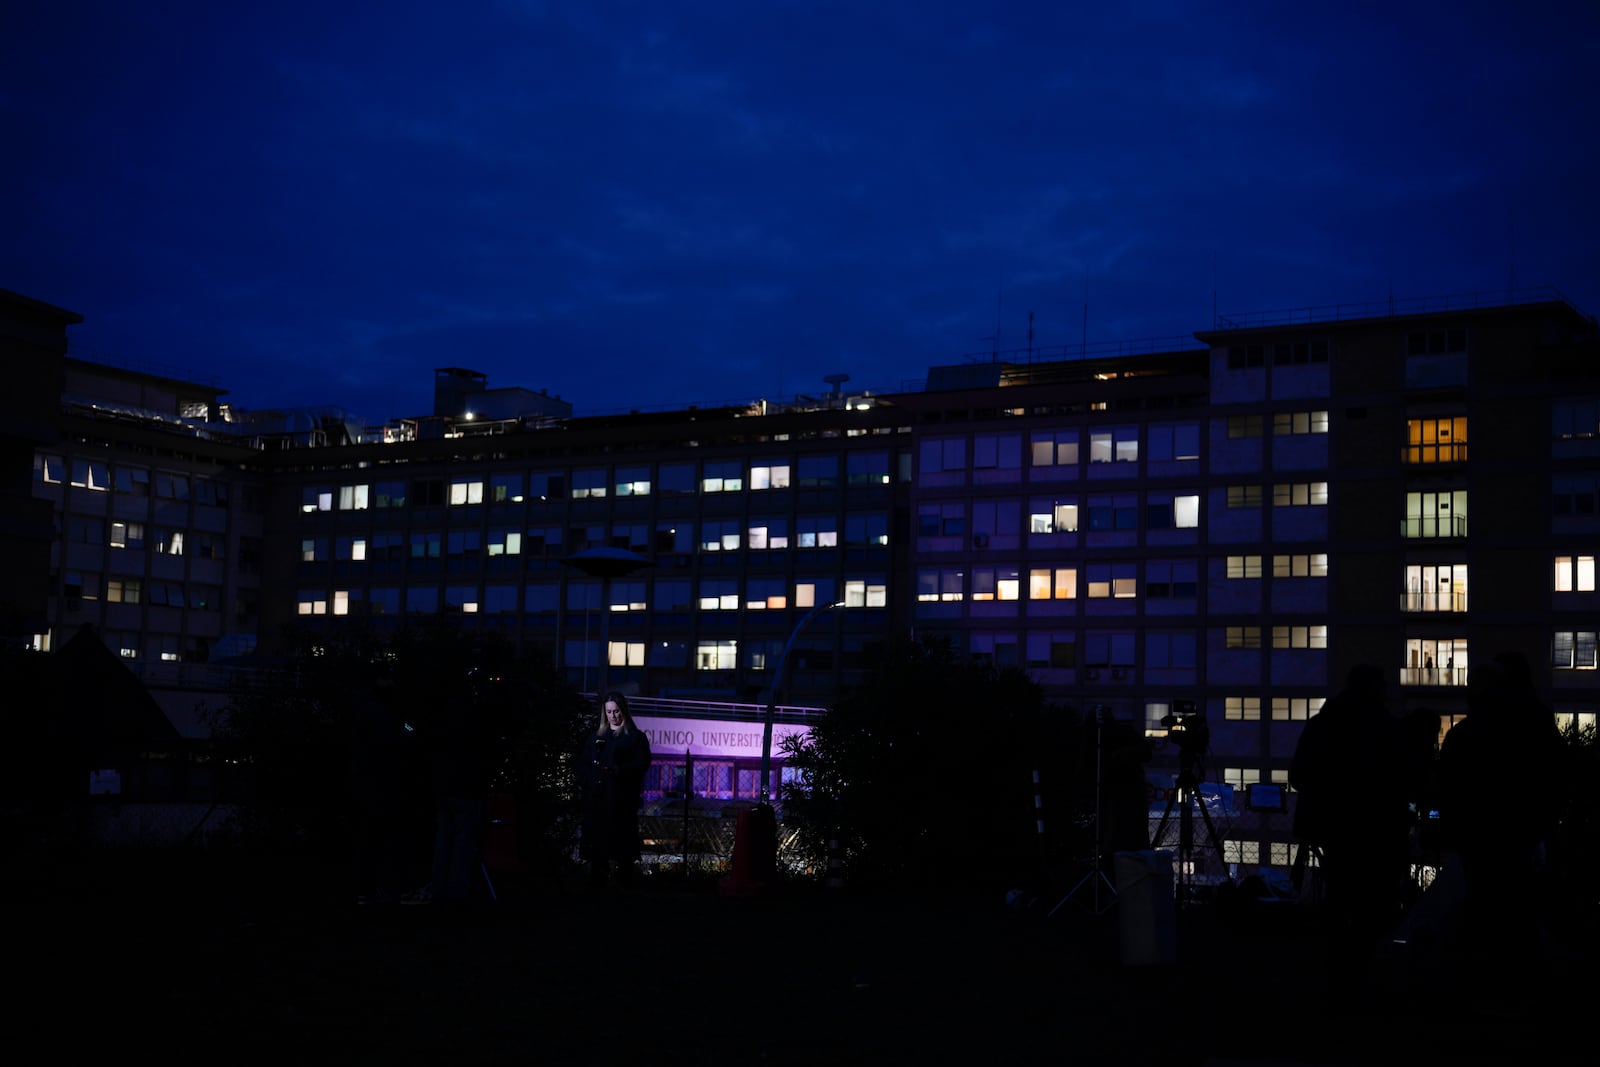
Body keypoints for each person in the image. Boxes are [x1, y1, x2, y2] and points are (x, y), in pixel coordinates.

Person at [1436, 653, 1564, 1004]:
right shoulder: (1530, 721)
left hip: (1479, 833)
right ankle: (1518, 983)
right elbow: (1553, 774)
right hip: (1517, 830)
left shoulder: (1468, 732)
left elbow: (1448, 783)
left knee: (1487, 901)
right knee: (1514, 904)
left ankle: (1485, 981)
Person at [1289, 663, 1412, 992]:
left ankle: (1336, 969)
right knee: (1370, 902)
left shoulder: (1321, 724)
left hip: (1332, 827)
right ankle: (1361, 969)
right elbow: (1402, 779)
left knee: (1339, 894)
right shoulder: (1384, 726)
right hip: (1375, 829)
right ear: (1375, 688)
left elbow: (1298, 775)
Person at [348, 667, 411, 906]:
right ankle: (380, 888)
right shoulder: (385, 713)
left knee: (367, 838)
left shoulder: (364, 708)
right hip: (381, 784)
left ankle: (365, 890)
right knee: (382, 838)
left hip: (366, 783)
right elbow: (401, 737)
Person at [578, 692, 653, 891]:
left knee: (622, 849)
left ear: (624, 711)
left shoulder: (635, 738)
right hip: (597, 801)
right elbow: (584, 765)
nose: (613, 716)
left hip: (621, 801)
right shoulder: (596, 738)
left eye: (616, 711)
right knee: (598, 847)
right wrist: (589, 780)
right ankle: (598, 884)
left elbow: (642, 763)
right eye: (609, 712)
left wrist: (621, 770)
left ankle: (624, 885)